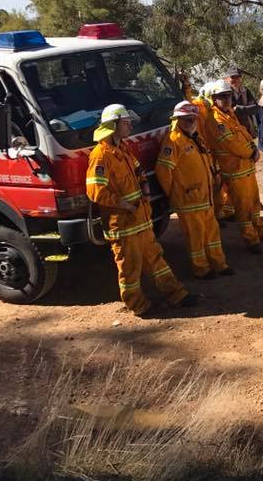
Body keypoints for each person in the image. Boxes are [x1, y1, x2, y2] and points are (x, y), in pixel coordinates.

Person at [86, 104, 198, 316]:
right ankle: (138, 306)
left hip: (141, 219)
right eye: (126, 123)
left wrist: (145, 192)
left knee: (157, 260)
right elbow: (95, 192)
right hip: (123, 225)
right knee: (129, 269)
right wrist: (125, 205)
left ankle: (177, 295)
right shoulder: (100, 156)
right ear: (113, 125)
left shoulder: (123, 149)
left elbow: (139, 171)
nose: (130, 126)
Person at [155, 101, 234, 279]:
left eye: (193, 119)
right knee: (195, 237)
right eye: (186, 119)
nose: (191, 122)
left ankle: (219, 264)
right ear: (178, 120)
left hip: (205, 198)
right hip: (189, 201)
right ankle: (201, 269)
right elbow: (163, 171)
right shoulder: (173, 141)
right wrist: (175, 193)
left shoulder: (196, 137)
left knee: (212, 234)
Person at [210, 80, 263, 252]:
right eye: (222, 97)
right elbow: (232, 142)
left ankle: (260, 230)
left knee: (254, 201)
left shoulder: (229, 113)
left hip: (246, 167)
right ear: (215, 99)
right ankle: (251, 240)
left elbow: (243, 133)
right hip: (235, 170)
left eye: (228, 95)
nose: (227, 99)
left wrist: (253, 147)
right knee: (243, 208)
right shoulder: (216, 120)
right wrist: (251, 152)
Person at [192, 82, 232, 221]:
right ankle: (214, 214)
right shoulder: (197, 107)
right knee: (211, 184)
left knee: (217, 182)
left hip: (210, 152)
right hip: (204, 153)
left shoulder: (206, 109)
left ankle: (219, 213)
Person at [225, 65, 259, 138]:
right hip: (234, 133)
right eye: (233, 77)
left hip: (249, 130)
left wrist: (240, 109)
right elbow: (229, 112)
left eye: (238, 77)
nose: (236, 80)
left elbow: (255, 109)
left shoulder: (246, 91)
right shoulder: (224, 94)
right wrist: (247, 109)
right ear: (227, 79)